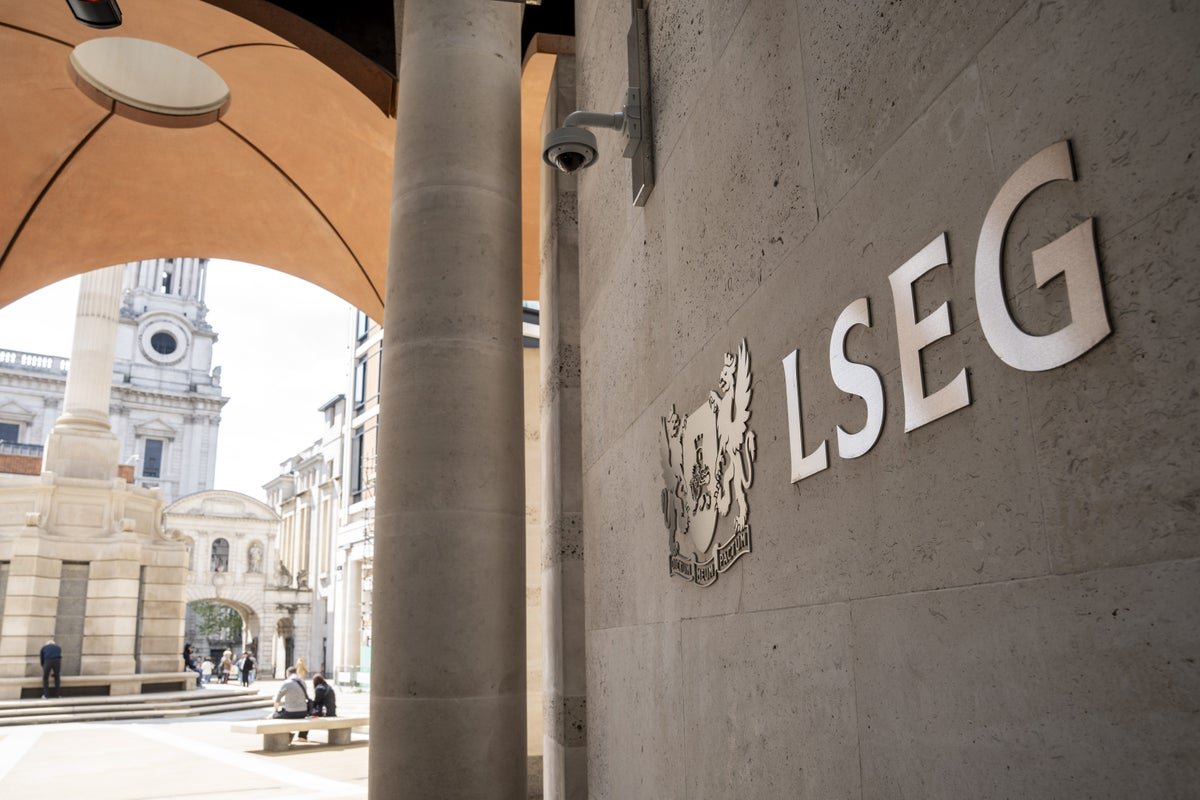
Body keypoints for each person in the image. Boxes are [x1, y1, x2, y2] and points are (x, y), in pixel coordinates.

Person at [272, 666, 310, 743]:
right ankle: (302, 737)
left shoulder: (287, 683)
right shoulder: (302, 682)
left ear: (288, 673)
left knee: (274, 717)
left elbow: (278, 698)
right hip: (303, 712)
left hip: (290, 712)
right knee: (303, 720)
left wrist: (275, 711)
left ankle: (287, 735)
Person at [300, 672, 336, 741]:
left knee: (308, 718)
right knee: (310, 716)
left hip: (326, 713)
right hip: (331, 711)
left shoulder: (319, 688)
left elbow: (317, 702)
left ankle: (302, 736)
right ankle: (302, 736)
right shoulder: (327, 686)